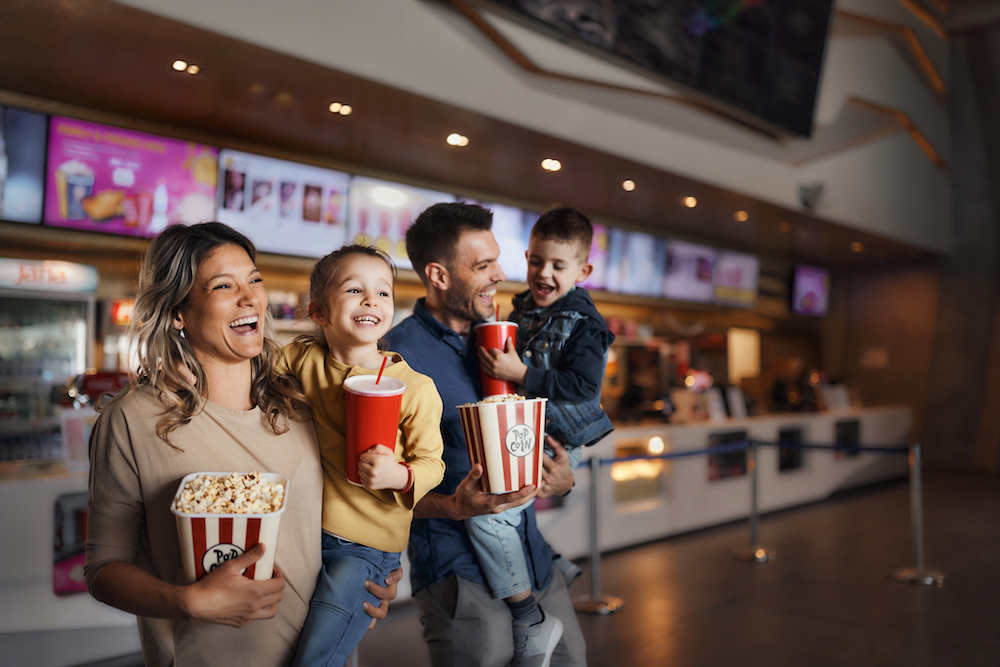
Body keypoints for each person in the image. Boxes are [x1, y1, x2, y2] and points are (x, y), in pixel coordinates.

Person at [84, 223, 399, 667]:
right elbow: (103, 569)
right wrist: (186, 601)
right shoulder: (133, 420)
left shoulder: (301, 402)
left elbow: (349, 510)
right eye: (223, 286)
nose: (250, 298)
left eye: (254, 280)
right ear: (178, 310)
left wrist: (370, 572)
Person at [386, 202, 587, 667]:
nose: (500, 274)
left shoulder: (511, 339)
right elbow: (375, 484)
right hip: (456, 565)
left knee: (571, 659)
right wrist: (454, 506)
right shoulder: (395, 357)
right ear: (438, 275)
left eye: (497, 259)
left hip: (531, 555)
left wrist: (559, 476)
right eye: (482, 265)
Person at [282, 245, 446, 667]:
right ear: (318, 311)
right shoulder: (300, 359)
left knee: (316, 658)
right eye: (354, 289)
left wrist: (399, 474)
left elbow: (433, 463)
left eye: (383, 293)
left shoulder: (415, 386)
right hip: (300, 535)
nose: (371, 300)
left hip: (365, 548)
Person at [471, 206, 615, 653]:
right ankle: (552, 563)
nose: (543, 273)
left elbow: (582, 387)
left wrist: (521, 373)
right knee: (505, 513)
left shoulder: (587, 325)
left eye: (558, 265)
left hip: (558, 439)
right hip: (528, 431)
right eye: (536, 261)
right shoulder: (524, 307)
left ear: (583, 270)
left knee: (490, 516)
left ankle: (528, 616)